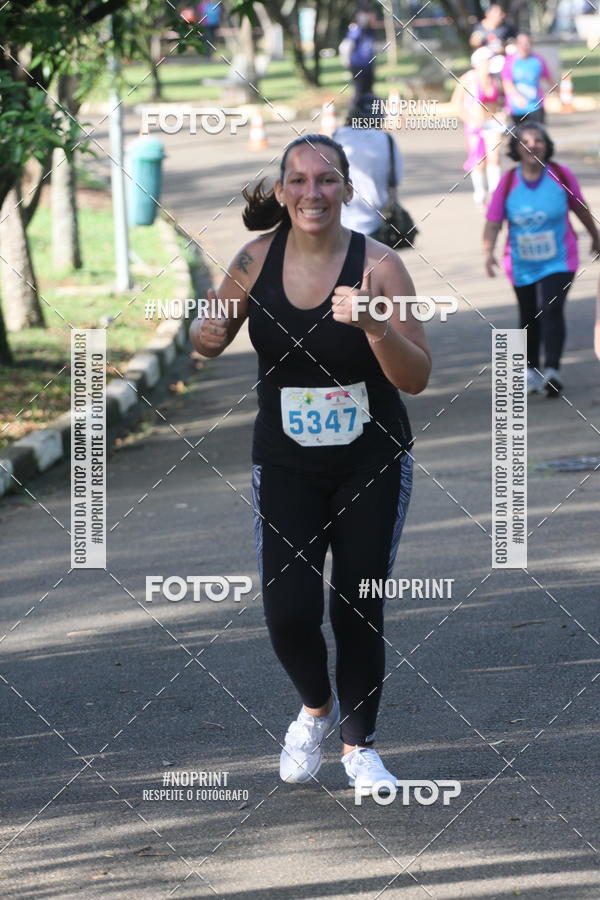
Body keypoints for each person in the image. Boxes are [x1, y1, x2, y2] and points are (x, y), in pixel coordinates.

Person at [190, 134, 431, 790]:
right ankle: (315, 711)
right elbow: (207, 337)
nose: (312, 192)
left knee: (359, 602)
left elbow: (418, 376)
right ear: (282, 191)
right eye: (298, 180)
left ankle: (360, 748)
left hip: (371, 462)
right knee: (288, 610)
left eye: (326, 180)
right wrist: (204, 336)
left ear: (348, 190)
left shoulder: (380, 265)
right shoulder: (253, 258)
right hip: (286, 463)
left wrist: (377, 324)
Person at [483, 123, 599, 396]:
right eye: (526, 141)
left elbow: (581, 209)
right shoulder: (509, 181)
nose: (533, 145)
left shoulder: (560, 174)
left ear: (547, 145)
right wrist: (488, 252)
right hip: (521, 261)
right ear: (516, 149)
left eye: (539, 140)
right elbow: (493, 221)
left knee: (551, 308)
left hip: (560, 257)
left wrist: (596, 236)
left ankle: (553, 370)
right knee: (528, 313)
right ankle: (531, 369)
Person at [333, 94, 403, 237]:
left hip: (339, 221)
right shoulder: (386, 140)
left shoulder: (337, 136)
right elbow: (396, 178)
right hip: (377, 223)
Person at [452, 46, 506, 208]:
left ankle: (495, 194)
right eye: (486, 60)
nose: (489, 64)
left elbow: (502, 100)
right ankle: (480, 194)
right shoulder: (468, 78)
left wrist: (502, 114)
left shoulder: (496, 79)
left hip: (492, 124)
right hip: (474, 125)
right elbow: (456, 103)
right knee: (479, 162)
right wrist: (469, 119)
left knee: (494, 158)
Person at [502, 33, 555, 125]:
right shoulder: (510, 61)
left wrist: (558, 93)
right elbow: (507, 83)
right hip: (516, 108)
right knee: (520, 137)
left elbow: (548, 78)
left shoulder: (537, 60)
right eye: (521, 43)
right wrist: (517, 97)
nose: (524, 46)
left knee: (538, 135)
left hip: (536, 106)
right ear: (517, 45)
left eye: (527, 43)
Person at [343, 7, 377, 98]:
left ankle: (367, 109)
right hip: (358, 66)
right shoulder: (356, 31)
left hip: (368, 67)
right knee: (359, 91)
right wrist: (346, 61)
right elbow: (345, 46)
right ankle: (355, 110)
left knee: (369, 91)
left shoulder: (369, 32)